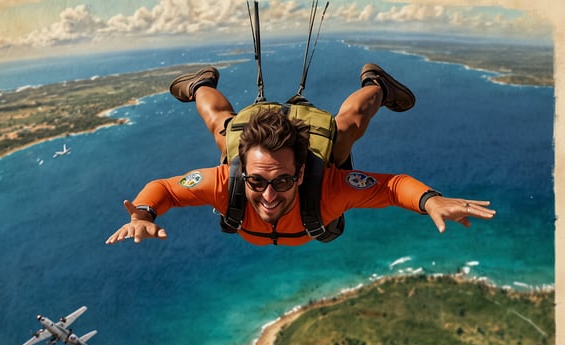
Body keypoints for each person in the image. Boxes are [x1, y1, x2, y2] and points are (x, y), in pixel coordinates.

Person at [106, 64, 495, 247]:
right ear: (245, 173)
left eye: (283, 181)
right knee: (223, 128)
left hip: (314, 174)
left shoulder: (329, 189)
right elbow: (165, 189)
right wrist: (142, 214)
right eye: (256, 181)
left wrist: (430, 200)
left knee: (346, 128)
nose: (269, 195)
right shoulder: (227, 183)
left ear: (303, 173)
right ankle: (200, 83)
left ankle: (376, 83)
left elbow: (393, 187)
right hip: (254, 160)